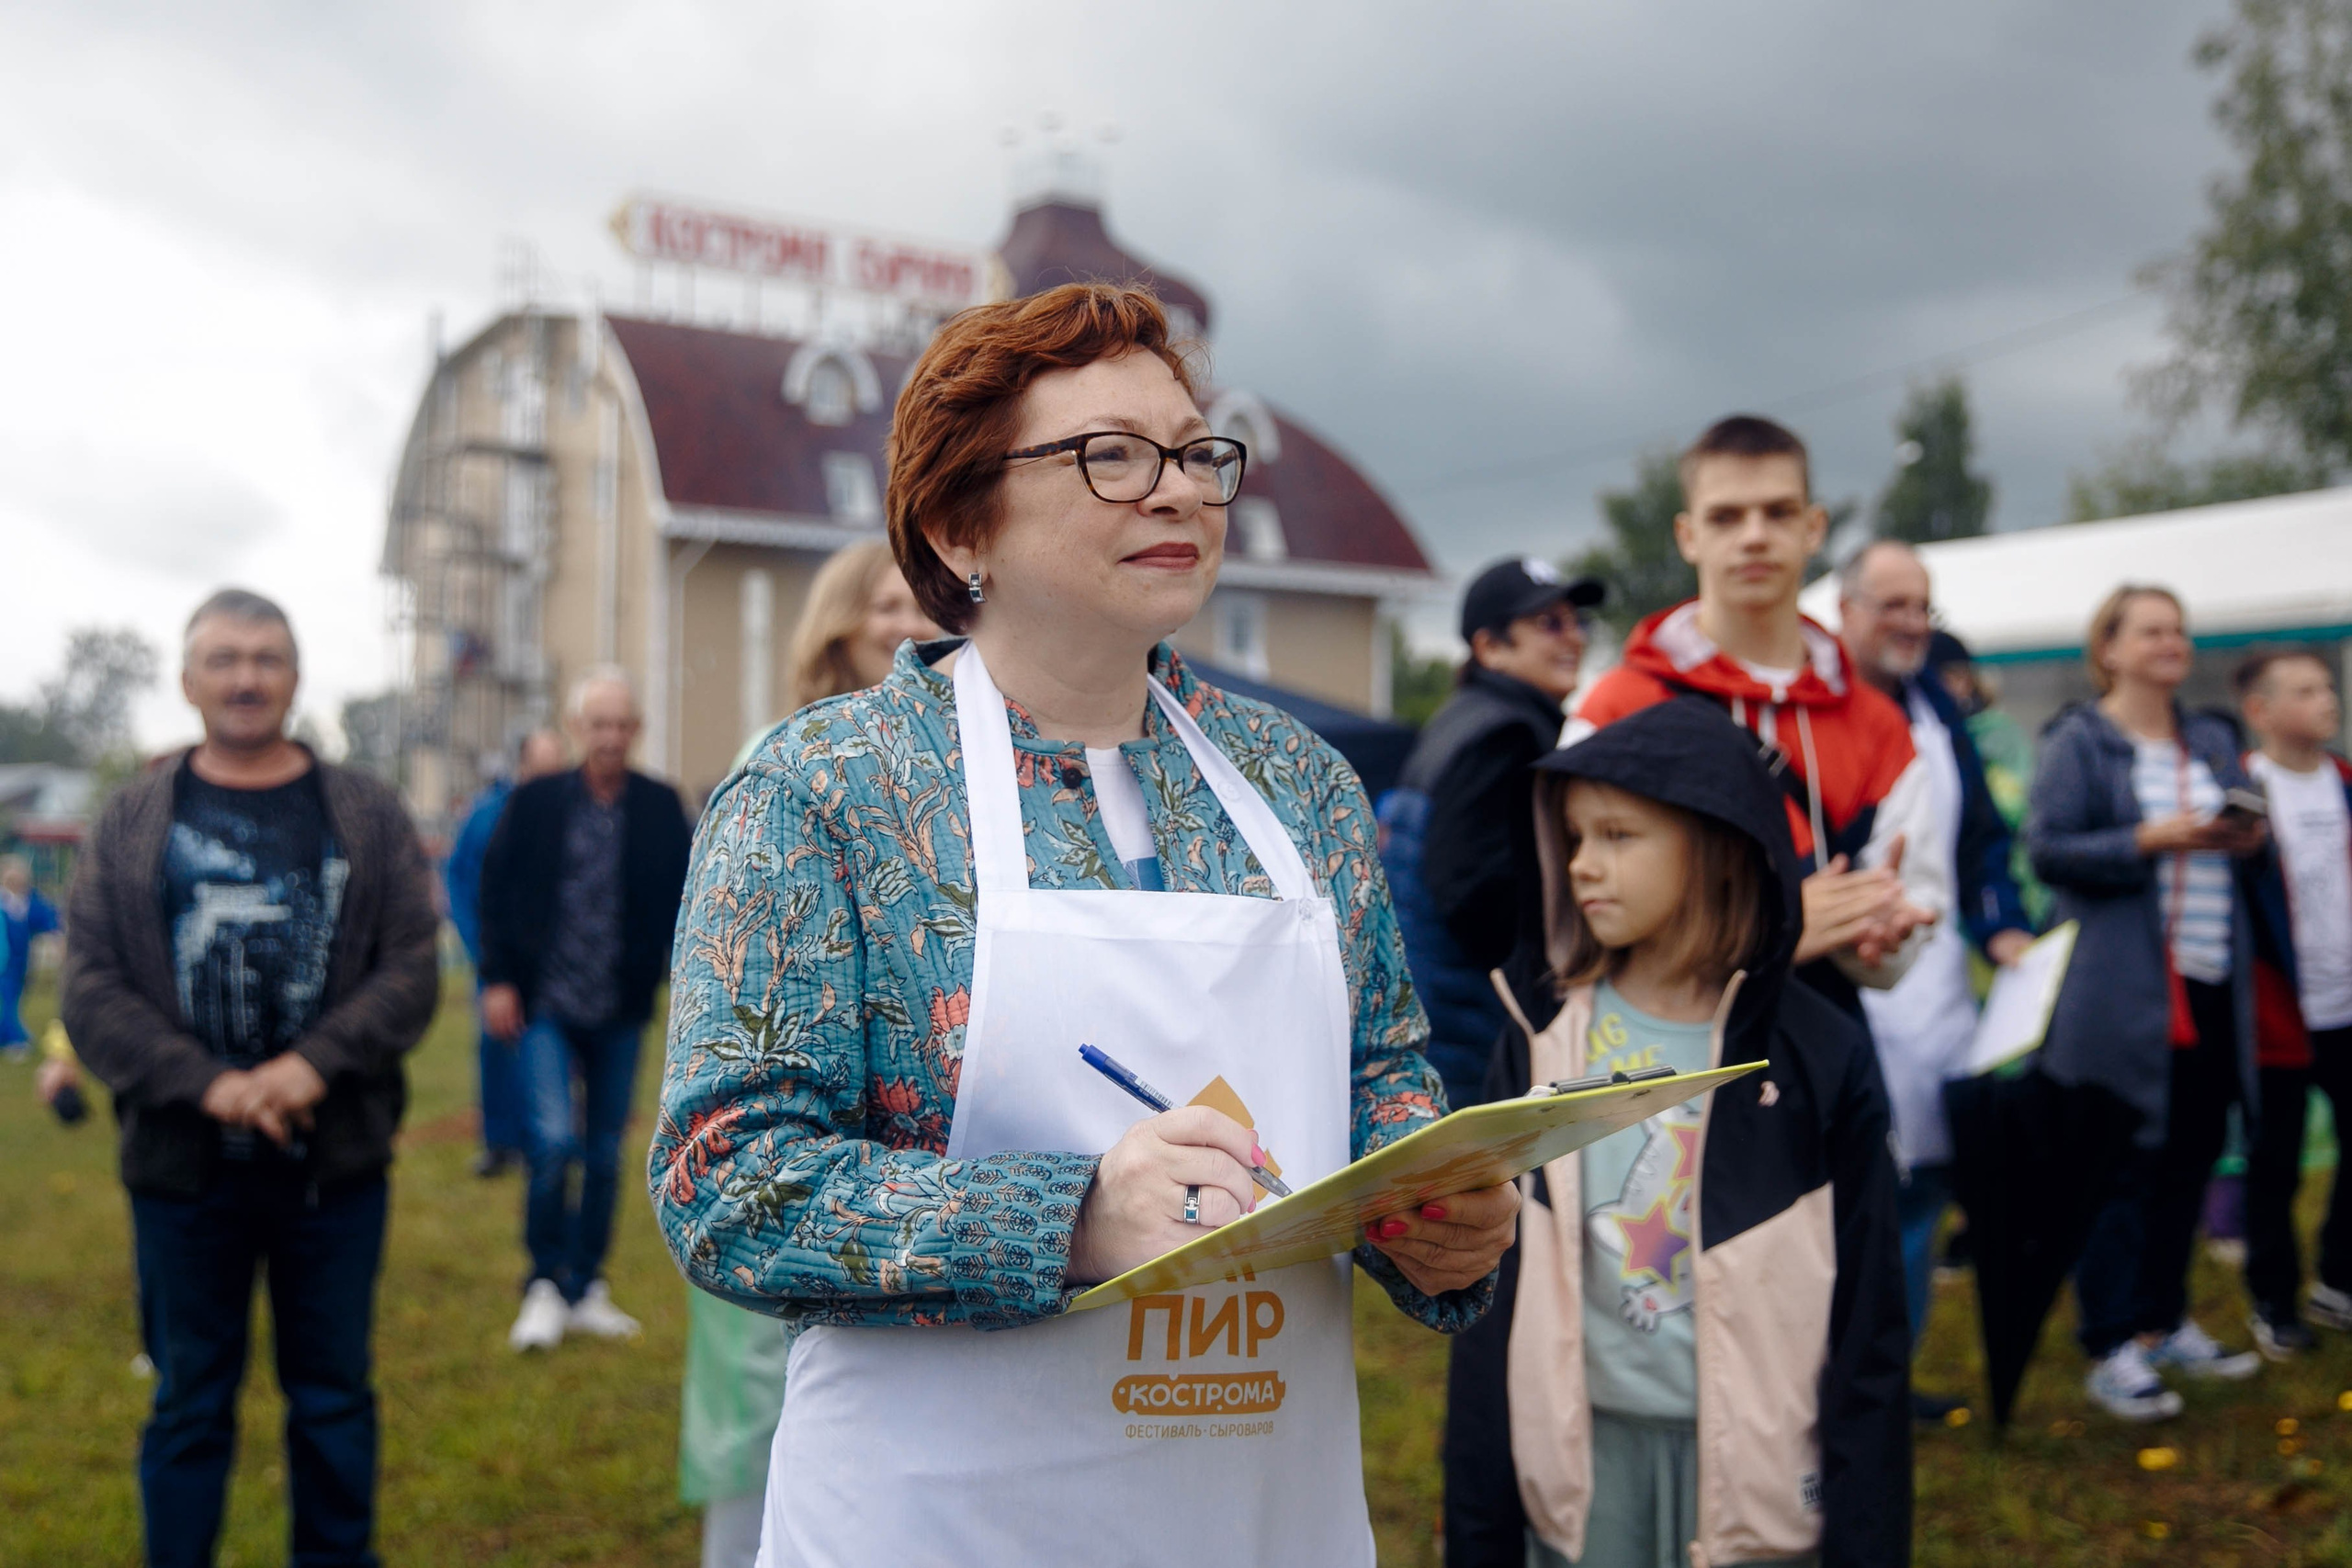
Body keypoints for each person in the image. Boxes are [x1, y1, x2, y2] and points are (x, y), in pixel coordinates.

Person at [652, 282, 1517, 1568]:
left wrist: (1428, 1206)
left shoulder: (1299, 782)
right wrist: (1074, 1216)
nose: (1178, 489)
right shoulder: (822, 790)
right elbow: (723, 1176)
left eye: (1195, 450)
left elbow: (1378, 1065)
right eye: (1111, 454)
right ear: (959, 523)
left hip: (1255, 1505)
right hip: (941, 1519)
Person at [1466, 698, 1909, 1568]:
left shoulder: (1821, 1057)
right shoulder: (1538, 1039)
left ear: (1718, 841)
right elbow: (1489, 1307)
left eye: (1620, 836)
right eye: (1575, 837)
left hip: (1759, 1477)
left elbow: (1871, 1332)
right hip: (1583, 1470)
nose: (1585, 864)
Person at [59, 588, 439, 1568]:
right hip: (183, 1175)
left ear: (296, 678)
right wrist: (212, 1085)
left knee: (333, 1399)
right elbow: (91, 987)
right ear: (188, 681)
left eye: (266, 658)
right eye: (223, 659)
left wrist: (312, 1066)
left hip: (334, 1168)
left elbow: (410, 966)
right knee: (189, 1403)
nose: (245, 678)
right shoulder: (131, 817)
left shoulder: (366, 810)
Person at [681, 538, 940, 1568]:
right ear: (838, 624)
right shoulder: (783, 764)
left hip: (915, 1161)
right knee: (767, 1377)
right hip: (799, 1128)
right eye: (884, 604)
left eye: (921, 602)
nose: (907, 623)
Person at [1566, 415, 1945, 1011]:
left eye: (1778, 512)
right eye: (1725, 516)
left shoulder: (1879, 724)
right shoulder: (1616, 707)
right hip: (1658, 1071)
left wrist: (1881, 931)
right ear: (1688, 535)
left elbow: (1905, 932)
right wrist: (1778, 927)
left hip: (1822, 1063)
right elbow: (1569, 920)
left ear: (1813, 526)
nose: (1754, 536)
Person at [2029, 584, 2267, 1422]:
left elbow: (2247, 838)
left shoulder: (2208, 736)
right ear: (2111, 649)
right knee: (2119, 1165)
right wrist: (2148, 839)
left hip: (2208, 981)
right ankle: (2110, 1340)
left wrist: (2245, 833)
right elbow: (2048, 847)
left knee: (2191, 1156)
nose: (2172, 643)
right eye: (2153, 630)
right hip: (2119, 988)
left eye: (2179, 630)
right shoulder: (2082, 739)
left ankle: (2165, 1321)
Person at [1837, 543, 2035, 1416]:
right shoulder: (1821, 707)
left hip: (1938, 980)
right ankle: (1833, 1376)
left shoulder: (1936, 710)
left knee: (1925, 1181)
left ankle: (1889, 1371)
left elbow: (1982, 836)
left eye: (1923, 606)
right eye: (1893, 605)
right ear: (1846, 610)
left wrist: (2002, 926)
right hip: (1845, 985)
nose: (1913, 623)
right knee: (1851, 1188)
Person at [479, 668, 690, 1352]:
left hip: (620, 1003)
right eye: (597, 724)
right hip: (545, 998)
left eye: (621, 724)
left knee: (603, 1152)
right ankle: (544, 1279)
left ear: (636, 730)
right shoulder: (536, 801)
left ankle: (586, 1284)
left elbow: (685, 902)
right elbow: (496, 889)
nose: (609, 737)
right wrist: (497, 979)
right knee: (552, 1142)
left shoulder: (660, 806)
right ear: (578, 729)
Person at [1380, 557, 1604, 1110]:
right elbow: (1471, 892)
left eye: (1578, 622)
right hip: (1463, 1035)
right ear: (1490, 647)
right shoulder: (1507, 735)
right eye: (1550, 624)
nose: (1573, 637)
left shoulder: (1464, 719)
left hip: (1428, 1020)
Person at [2233, 648, 2352, 1357]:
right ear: (2262, 710)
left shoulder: (2343, 782)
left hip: (2346, 1004)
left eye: (2328, 687)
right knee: (2272, 1161)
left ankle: (2339, 1278)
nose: (2328, 699)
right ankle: (2272, 1299)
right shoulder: (2243, 790)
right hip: (2278, 1011)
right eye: (2306, 690)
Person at [444, 730, 567, 1178]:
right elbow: (459, 877)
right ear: (523, 766)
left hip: (553, 962)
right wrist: (478, 945)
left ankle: (548, 1138)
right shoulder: (488, 814)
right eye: (542, 767)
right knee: (497, 1044)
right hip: (497, 956)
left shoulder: (569, 814)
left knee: (555, 1046)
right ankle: (499, 1143)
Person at [1924, 631, 2052, 930]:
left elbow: (2021, 806)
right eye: (1945, 676)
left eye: (1961, 675)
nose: (1956, 685)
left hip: (2007, 883)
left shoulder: (1999, 733)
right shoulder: (1920, 734)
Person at [783, 535, 942, 714]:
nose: (912, 627)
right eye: (887, 608)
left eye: (924, 610)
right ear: (838, 622)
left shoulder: (958, 733)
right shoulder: (783, 739)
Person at [0, 852, 62, 1059]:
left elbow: (48, 918)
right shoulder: (4, 902)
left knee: (16, 997)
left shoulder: (29, 900)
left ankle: (12, 1034)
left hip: (21, 961)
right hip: (4, 960)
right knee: (6, 998)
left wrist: (56, 935)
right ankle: (14, 1040)